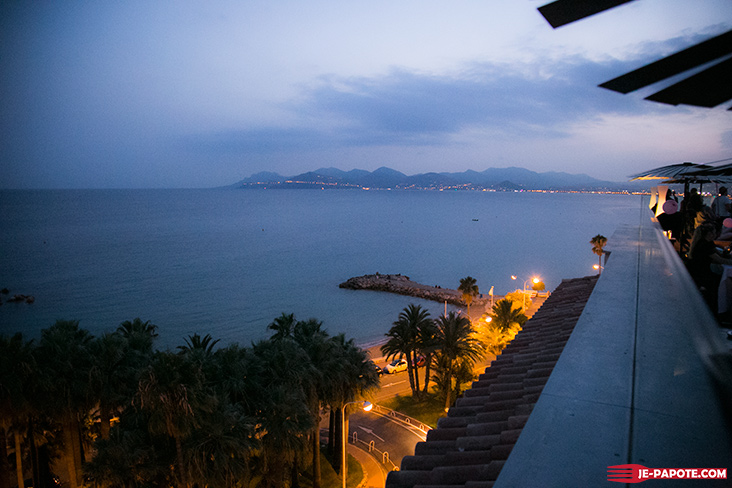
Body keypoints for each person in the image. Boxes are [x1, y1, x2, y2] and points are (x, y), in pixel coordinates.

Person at [688, 224, 732, 311]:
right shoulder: (704, 245)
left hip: (702, 270)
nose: (716, 234)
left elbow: (720, 256)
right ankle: (718, 306)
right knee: (721, 280)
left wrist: (727, 253)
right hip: (701, 274)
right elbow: (720, 260)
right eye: (714, 232)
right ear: (709, 234)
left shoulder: (708, 243)